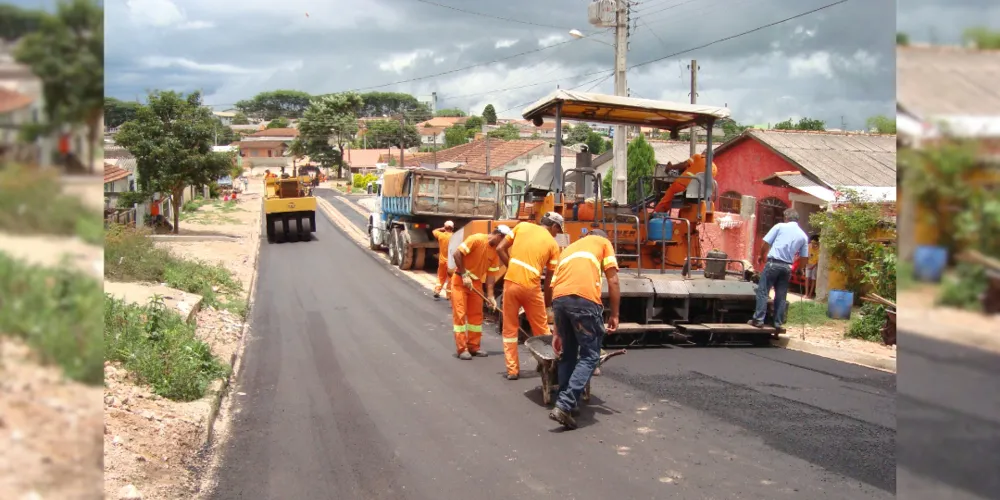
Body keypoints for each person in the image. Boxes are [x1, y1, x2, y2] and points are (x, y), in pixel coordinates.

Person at [547, 229, 620, 430]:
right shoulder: (603, 242)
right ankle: (565, 403)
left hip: (560, 301)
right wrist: (614, 314)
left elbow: (554, 288)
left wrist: (556, 331)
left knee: (567, 354)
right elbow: (613, 280)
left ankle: (567, 403)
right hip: (584, 301)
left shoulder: (568, 250)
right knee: (590, 356)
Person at [495, 212, 563, 380]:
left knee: (510, 328)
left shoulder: (521, 226)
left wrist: (511, 267)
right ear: (554, 226)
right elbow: (549, 280)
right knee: (541, 329)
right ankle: (548, 364)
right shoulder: (553, 245)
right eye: (558, 231)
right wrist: (548, 304)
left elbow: (499, 248)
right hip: (531, 288)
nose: (558, 234)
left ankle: (512, 370)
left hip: (510, 283)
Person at [450, 225, 509, 360]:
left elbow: (490, 277)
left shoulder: (494, 253)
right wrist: (464, 275)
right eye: (504, 240)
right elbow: (457, 254)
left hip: (475, 284)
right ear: (499, 236)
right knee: (460, 314)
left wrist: (490, 296)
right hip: (460, 280)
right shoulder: (476, 239)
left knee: (476, 316)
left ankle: (474, 346)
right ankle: (462, 348)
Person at [750, 208, 809, 334]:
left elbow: (766, 243)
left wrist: (761, 255)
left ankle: (759, 319)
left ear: (786, 218)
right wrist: (800, 269)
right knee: (781, 296)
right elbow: (804, 258)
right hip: (787, 267)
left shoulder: (780, 226)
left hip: (773, 263)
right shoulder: (803, 235)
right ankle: (777, 323)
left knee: (763, 291)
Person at [652, 153, 719, 213]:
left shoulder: (699, 157)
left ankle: (656, 213)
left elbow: (684, 164)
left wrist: (671, 167)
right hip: (699, 194)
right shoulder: (714, 168)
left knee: (668, 195)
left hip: (683, 184)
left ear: (704, 153)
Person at [432, 221, 455, 299]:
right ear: (452, 228)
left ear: (445, 227)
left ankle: (437, 291)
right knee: (451, 279)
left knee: (441, 276)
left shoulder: (441, 235)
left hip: (442, 261)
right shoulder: (454, 237)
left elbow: (434, 231)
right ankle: (448, 295)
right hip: (451, 262)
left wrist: (441, 229)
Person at [804, 234, 820, 298]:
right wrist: (806, 264)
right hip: (808, 264)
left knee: (813, 279)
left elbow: (818, 260)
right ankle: (806, 293)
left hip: (815, 265)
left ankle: (810, 294)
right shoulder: (808, 247)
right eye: (812, 243)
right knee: (807, 278)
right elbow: (805, 256)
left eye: (815, 243)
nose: (813, 245)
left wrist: (813, 266)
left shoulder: (819, 249)